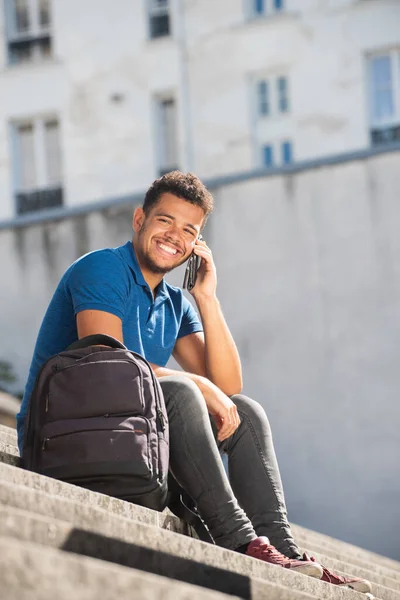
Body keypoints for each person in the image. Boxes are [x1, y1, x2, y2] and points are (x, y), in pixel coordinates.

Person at [17, 172, 371, 593]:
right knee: (184, 390)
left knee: (245, 409)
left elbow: (227, 383)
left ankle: (282, 547)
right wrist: (198, 385)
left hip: (129, 446)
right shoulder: (102, 269)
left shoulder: (176, 303)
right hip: (64, 441)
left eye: (189, 230)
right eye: (165, 221)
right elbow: (106, 361)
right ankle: (239, 538)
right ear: (139, 220)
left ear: (197, 244)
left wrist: (207, 298)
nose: (174, 236)